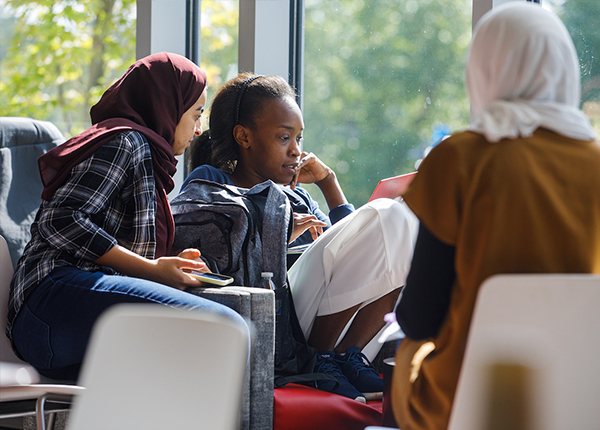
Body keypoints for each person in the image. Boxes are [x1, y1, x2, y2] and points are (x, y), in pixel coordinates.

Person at [391, 3, 600, 429]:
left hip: (466, 400)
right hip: (584, 396)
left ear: (484, 69)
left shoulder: (462, 158)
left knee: (409, 348)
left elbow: (421, 315)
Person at [7, 52, 247, 382]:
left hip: (57, 322)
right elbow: (61, 220)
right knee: (225, 328)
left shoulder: (147, 155)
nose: (198, 129)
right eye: (196, 114)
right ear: (167, 106)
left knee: (170, 375)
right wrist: (151, 269)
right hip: (51, 304)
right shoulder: (124, 141)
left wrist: (168, 263)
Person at [181, 73, 418, 402]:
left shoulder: (297, 196)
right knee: (389, 214)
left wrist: (328, 183)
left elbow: (359, 256)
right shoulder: (213, 180)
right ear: (243, 137)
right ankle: (320, 359)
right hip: (273, 310)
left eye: (299, 139)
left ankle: (344, 357)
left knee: (403, 227)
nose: (295, 150)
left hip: (309, 316)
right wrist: (279, 233)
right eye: (283, 138)